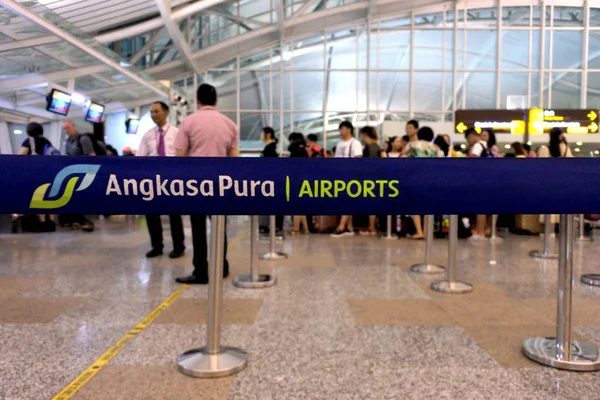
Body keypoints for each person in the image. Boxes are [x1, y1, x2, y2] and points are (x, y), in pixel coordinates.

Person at [174, 84, 239, 285]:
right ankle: (222, 267)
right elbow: (234, 160)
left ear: (197, 100)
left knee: (198, 228)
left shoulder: (188, 122)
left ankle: (201, 271)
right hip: (221, 184)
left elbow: (179, 156)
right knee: (220, 227)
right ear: (216, 101)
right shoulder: (230, 124)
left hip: (197, 184)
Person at [137, 102, 185, 259]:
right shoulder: (148, 135)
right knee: (151, 214)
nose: (153, 115)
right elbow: (140, 157)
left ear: (165, 112)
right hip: (152, 180)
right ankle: (156, 246)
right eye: (151, 112)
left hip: (171, 179)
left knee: (174, 214)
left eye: (156, 111)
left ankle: (179, 247)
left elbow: (182, 156)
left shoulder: (177, 133)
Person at [406, 126, 441, 239]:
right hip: (431, 179)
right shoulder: (436, 148)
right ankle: (426, 232)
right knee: (427, 207)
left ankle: (419, 231)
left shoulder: (413, 145)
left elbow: (403, 157)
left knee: (414, 205)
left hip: (415, 178)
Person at [330, 121, 362, 238]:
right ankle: (350, 228)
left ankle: (341, 226)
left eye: (342, 129)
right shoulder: (339, 144)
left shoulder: (355, 143)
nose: (340, 132)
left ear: (349, 129)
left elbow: (358, 160)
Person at [63, 120, 95, 232]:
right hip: (72, 173)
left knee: (83, 197)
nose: (66, 130)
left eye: (68, 128)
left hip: (83, 172)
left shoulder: (83, 139)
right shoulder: (68, 142)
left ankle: (86, 221)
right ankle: (75, 220)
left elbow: (91, 156)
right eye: (65, 128)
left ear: (73, 126)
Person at [465, 127, 489, 241]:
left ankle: (480, 233)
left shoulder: (477, 146)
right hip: (486, 179)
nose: (468, 142)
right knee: (483, 208)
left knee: (480, 208)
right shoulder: (485, 145)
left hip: (479, 179)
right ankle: (482, 231)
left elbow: (473, 160)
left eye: (468, 139)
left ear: (471, 136)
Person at [259, 127, 285, 236]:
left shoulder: (270, 148)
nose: (260, 135)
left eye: (262, 133)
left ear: (268, 134)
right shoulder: (271, 147)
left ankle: (274, 226)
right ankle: (271, 226)